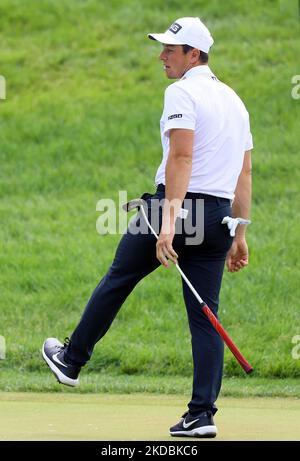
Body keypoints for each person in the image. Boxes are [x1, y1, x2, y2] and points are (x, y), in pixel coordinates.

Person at [42, 16, 252, 438]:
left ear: (194, 54)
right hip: (218, 219)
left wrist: (169, 222)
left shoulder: (181, 91)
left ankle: (71, 359)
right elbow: (244, 173)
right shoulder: (234, 99)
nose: (162, 57)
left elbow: (181, 159)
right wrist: (240, 233)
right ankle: (201, 415)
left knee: (119, 279)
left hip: (175, 210)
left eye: (170, 51)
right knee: (205, 316)